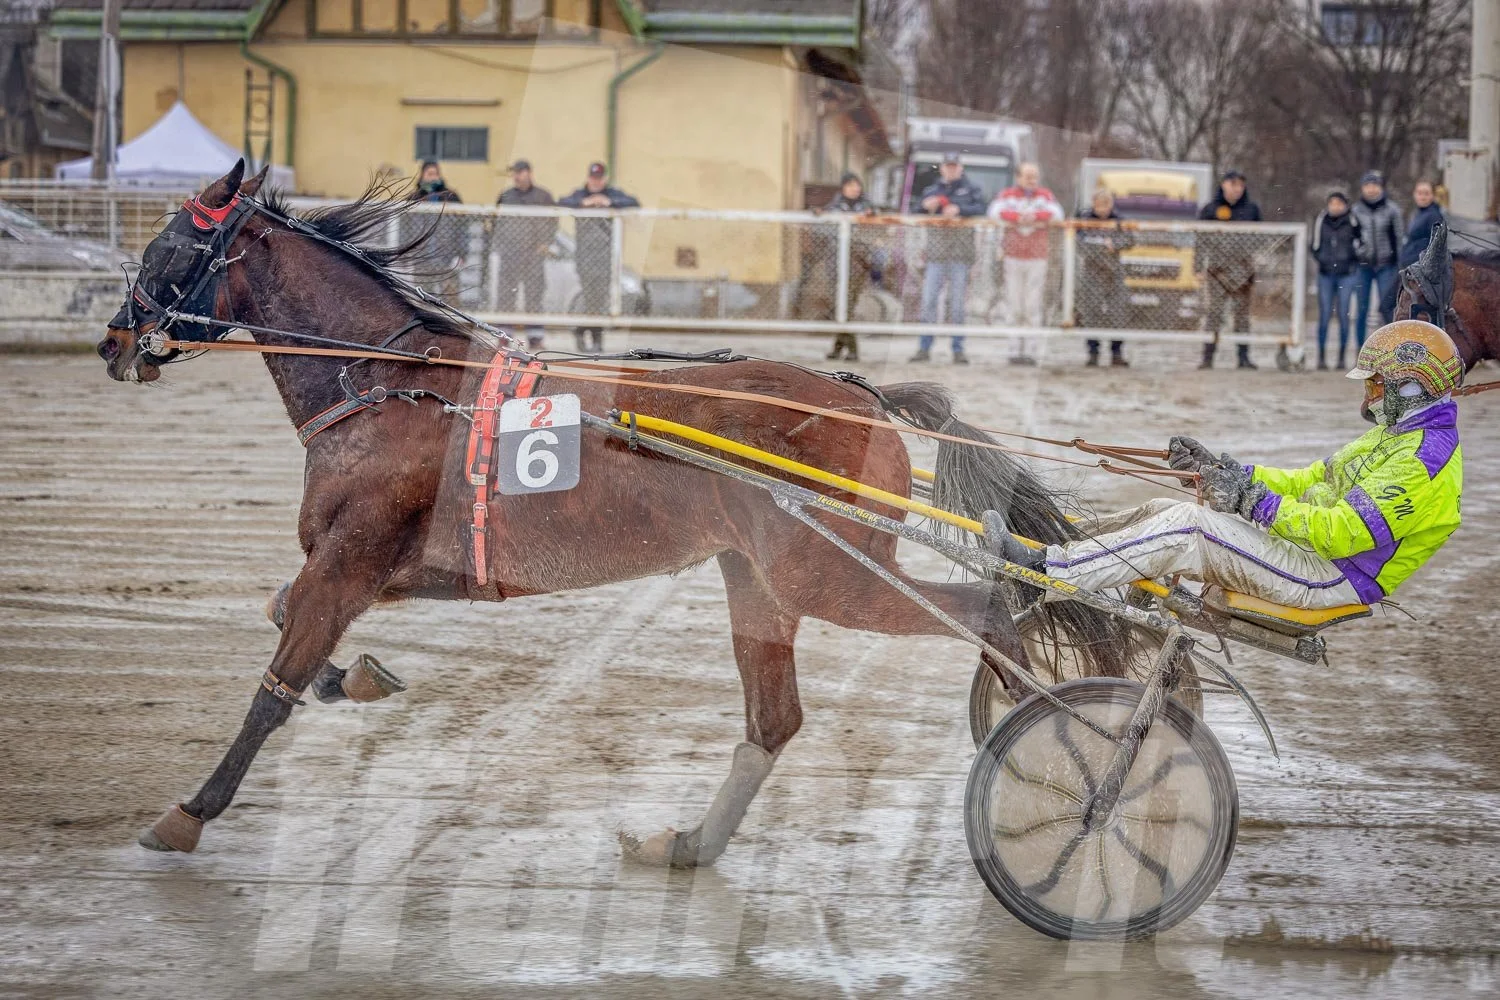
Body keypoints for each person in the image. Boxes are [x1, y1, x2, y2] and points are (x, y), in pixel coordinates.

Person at [985, 319, 1463, 611]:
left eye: (1376, 384)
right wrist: (1230, 472)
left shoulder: (1421, 460)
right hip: (1310, 556)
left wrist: (1253, 504)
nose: (1368, 393)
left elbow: (1340, 533)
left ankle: (1045, 575)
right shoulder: (1395, 436)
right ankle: (1052, 548)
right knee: (1159, 510)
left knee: (1189, 528)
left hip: (1331, 577)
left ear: (1411, 387)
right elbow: (1308, 481)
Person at [910, 152, 986, 364]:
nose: (951, 169)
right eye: (948, 166)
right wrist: (926, 206)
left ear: (960, 168)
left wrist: (960, 209)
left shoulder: (972, 189)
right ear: (942, 168)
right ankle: (924, 348)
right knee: (929, 301)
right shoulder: (932, 190)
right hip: (936, 253)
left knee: (957, 305)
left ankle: (958, 349)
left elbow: (982, 209)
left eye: (955, 166)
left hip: (960, 254)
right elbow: (914, 210)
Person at [559, 161, 639, 353]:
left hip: (605, 258)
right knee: (590, 298)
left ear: (604, 179)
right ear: (588, 178)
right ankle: (589, 335)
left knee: (599, 299)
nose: (595, 182)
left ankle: (589, 335)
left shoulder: (612, 194)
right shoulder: (580, 195)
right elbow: (562, 201)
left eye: (599, 178)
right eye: (593, 178)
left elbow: (633, 202)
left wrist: (609, 203)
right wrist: (582, 203)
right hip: (585, 258)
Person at [989, 162, 1065, 365]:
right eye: (1028, 176)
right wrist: (1017, 217)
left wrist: (1035, 216)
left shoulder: (1044, 195)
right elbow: (994, 211)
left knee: (1032, 304)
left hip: (1037, 256)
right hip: (1013, 255)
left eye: (1035, 176)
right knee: (1014, 303)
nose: (1032, 180)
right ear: (1019, 177)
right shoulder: (1008, 195)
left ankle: (1031, 350)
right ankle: (1014, 349)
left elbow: (1058, 214)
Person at [1197, 169, 1261, 370]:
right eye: (1233, 184)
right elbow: (1199, 240)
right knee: (1214, 314)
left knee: (1242, 316)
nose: (1236, 189)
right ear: (1223, 185)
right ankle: (1208, 357)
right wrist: (1198, 267)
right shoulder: (1210, 210)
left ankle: (1243, 357)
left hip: (1243, 272)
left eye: (1240, 185)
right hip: (1217, 271)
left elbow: (1262, 237)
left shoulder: (1251, 210)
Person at [496, 159, 557, 350]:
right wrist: (500, 246)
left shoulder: (543, 196)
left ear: (529, 173)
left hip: (533, 256)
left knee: (534, 296)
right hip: (510, 255)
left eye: (520, 172)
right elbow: (495, 222)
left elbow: (553, 222)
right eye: (514, 172)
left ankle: (535, 337)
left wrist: (545, 243)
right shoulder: (506, 196)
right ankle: (505, 336)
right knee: (506, 296)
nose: (517, 176)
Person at [1075, 189, 1133, 367]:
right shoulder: (1084, 220)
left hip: (1114, 272)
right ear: (1093, 204)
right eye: (1099, 205)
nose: (1102, 210)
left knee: (1119, 312)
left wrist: (1114, 245)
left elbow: (1130, 240)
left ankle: (1116, 351)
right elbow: (1079, 243)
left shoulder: (1118, 220)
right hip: (1093, 273)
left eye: (1106, 205)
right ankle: (1093, 351)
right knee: (1091, 312)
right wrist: (1100, 249)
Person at [1310, 191, 1365, 370]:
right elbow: (1314, 245)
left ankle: (1341, 357)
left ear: (1345, 205)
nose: (1335, 207)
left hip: (1347, 273)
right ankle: (1321, 357)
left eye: (1339, 203)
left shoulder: (1352, 221)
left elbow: (1361, 243)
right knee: (1324, 315)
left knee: (1344, 314)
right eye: (1332, 203)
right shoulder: (1321, 220)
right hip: (1326, 274)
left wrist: (1351, 260)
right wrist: (1324, 261)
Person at [822, 172, 874, 362]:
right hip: (835, 262)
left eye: (857, 185)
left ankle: (851, 349)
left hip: (857, 263)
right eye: (851, 185)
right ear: (843, 187)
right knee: (838, 306)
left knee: (848, 307)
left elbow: (873, 226)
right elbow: (823, 224)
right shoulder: (834, 206)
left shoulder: (867, 207)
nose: (855, 189)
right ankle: (839, 347)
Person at [1352, 170, 1404, 346]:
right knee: (1362, 309)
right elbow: (1352, 237)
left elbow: (1398, 237)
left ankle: (1390, 347)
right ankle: (1360, 349)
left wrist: (1399, 264)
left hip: (1386, 266)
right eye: (1367, 185)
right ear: (1362, 188)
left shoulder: (1392, 210)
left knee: (1387, 307)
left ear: (1381, 187)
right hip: (1363, 266)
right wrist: (1357, 254)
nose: (1371, 189)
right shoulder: (1355, 211)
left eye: (1375, 185)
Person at [1399, 179, 1445, 272]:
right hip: (1410, 264)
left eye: (1426, 194)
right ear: (1414, 194)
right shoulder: (1418, 213)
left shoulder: (1434, 215)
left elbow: (1435, 245)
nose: (1422, 197)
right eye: (1419, 193)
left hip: (1420, 268)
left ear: (1433, 196)